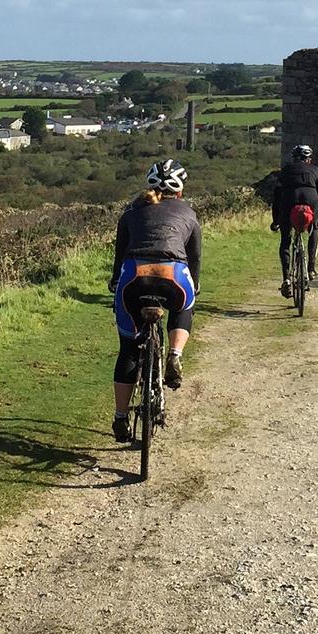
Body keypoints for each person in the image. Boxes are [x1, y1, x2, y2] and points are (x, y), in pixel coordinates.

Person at [107, 158, 201, 443]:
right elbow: (194, 258)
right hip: (174, 278)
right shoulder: (188, 213)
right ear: (180, 191)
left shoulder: (131, 212)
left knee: (129, 349)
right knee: (184, 305)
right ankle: (174, 354)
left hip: (134, 278)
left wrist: (114, 282)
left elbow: (120, 255)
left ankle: (121, 418)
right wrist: (194, 286)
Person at [271, 144, 318, 296]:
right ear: (309, 159)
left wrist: (276, 221)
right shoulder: (316, 170)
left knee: (286, 239)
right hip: (311, 198)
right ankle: (311, 269)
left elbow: (277, 197)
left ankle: (286, 279)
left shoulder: (286, 170)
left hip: (289, 199)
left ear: (294, 158)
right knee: (313, 231)